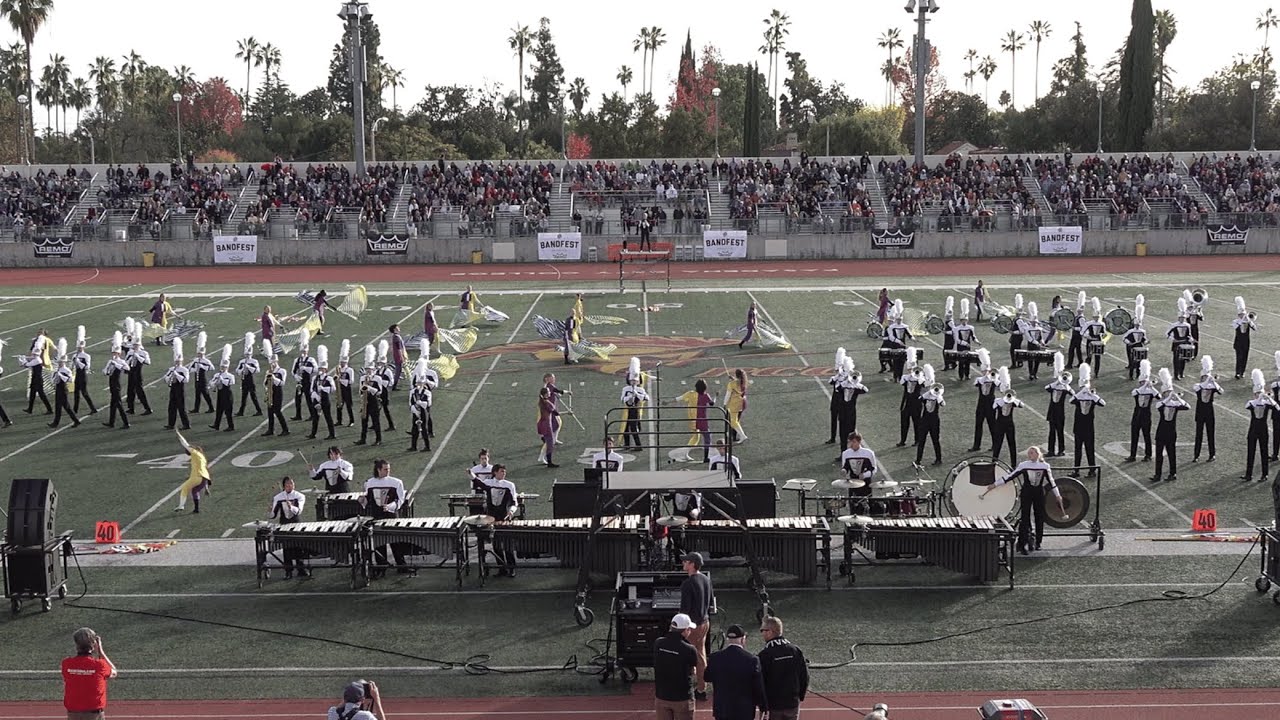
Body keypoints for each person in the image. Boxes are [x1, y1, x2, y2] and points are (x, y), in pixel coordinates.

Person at [983, 446, 1065, 554]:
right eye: (1029, 453)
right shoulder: (1024, 465)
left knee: (1039, 517)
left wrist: (1058, 495)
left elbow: (1051, 482)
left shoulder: (1045, 466)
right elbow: (1010, 477)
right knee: (1025, 517)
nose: (1029, 455)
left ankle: (1038, 542)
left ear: (1038, 454)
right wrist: (995, 484)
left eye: (1032, 453)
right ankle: (1023, 543)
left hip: (1039, 494)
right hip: (1026, 493)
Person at [704, 624, 766, 720]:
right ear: (743, 639)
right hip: (744, 711)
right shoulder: (752, 660)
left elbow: (707, 677)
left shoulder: (715, 658)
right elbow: (758, 686)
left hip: (722, 710)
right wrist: (763, 706)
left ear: (728, 639)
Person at [757, 616, 809, 720]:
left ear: (770, 632)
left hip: (774, 706)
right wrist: (800, 696)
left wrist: (762, 705)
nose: (762, 633)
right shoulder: (795, 650)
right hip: (792, 703)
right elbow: (804, 676)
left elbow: (760, 682)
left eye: (762, 630)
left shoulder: (764, 655)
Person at [364, 459, 411, 575]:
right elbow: (368, 500)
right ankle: (381, 567)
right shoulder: (370, 483)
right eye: (385, 469)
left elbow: (400, 500)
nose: (388, 471)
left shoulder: (396, 482)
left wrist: (390, 507)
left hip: (391, 515)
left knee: (396, 542)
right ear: (378, 470)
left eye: (388, 469)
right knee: (379, 544)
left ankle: (401, 565)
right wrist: (362, 501)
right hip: (376, 516)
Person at [679, 551, 713, 702]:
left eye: (686, 561)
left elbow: (685, 609)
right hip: (704, 623)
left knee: (691, 656)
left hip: (693, 626)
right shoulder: (706, 579)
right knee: (700, 654)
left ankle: (698, 688)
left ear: (692, 564)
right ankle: (701, 687)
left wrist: (678, 625)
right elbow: (710, 601)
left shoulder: (688, 584)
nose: (683, 563)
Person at [62, 627, 117, 720]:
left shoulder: (66, 663)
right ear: (93, 644)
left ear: (76, 645)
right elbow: (114, 672)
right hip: (94, 714)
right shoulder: (99, 665)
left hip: (73, 714)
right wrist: (100, 651)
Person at [653, 613, 698, 720]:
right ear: (685, 630)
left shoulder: (658, 643)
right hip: (682, 698)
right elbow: (693, 669)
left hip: (662, 697)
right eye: (689, 629)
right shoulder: (689, 649)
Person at [479, 464, 519, 576]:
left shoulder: (510, 485)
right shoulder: (488, 483)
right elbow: (477, 482)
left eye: (504, 471)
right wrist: (470, 474)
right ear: (495, 472)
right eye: (502, 471)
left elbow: (514, 502)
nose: (504, 473)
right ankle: (501, 568)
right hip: (492, 518)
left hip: (504, 518)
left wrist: (511, 511)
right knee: (496, 545)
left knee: (507, 544)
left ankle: (511, 568)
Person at [1152, 368, 1189, 483]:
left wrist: (1178, 398)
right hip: (1161, 432)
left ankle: (1173, 473)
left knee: (1171, 454)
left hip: (1171, 432)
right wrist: (1169, 397)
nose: (1169, 394)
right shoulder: (1161, 403)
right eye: (1167, 393)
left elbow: (1187, 406)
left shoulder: (1175, 404)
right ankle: (1157, 474)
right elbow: (1159, 406)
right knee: (1159, 454)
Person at [1244, 369, 1279, 482]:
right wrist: (1259, 398)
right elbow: (1247, 405)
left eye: (1259, 393)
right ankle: (1248, 474)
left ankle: (1265, 474)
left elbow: (1278, 408)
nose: (1258, 395)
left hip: (1263, 430)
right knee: (1250, 452)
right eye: (1257, 394)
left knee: (1264, 452)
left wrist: (1269, 398)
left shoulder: (1266, 403)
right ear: (1254, 394)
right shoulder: (1252, 403)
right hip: (1253, 430)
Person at [270, 476, 308, 578]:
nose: (290, 486)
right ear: (284, 486)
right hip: (284, 525)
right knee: (287, 549)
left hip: (296, 524)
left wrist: (291, 507)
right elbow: (273, 515)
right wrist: (270, 511)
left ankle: (301, 569)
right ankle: (288, 571)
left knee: (298, 547)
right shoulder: (278, 497)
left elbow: (299, 511)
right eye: (287, 484)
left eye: (291, 483)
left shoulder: (299, 496)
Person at [1070, 364, 1104, 476]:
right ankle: (1076, 470)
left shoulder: (1092, 398)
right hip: (1078, 428)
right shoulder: (1078, 396)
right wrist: (1082, 392)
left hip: (1089, 428)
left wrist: (1092, 394)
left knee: (1090, 449)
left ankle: (1092, 470)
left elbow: (1103, 403)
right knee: (1077, 450)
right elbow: (1071, 400)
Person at [1127, 360, 1158, 462]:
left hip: (1146, 415)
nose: (1143, 383)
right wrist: (1145, 385)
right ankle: (1132, 455)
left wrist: (1152, 387)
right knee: (1134, 435)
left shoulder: (1151, 391)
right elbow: (1135, 393)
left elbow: (1159, 396)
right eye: (1142, 382)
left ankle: (1148, 455)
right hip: (1136, 415)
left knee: (1146, 435)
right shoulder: (1137, 390)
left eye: (1144, 382)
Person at [173, 430, 212, 513]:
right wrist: (206, 488)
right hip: (204, 479)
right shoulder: (203, 458)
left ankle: (181, 505)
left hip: (197, 477)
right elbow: (205, 471)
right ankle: (196, 509)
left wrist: (178, 434)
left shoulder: (194, 453)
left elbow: (185, 443)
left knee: (184, 488)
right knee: (195, 491)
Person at [1192, 356, 1221, 463]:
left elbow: (1221, 391)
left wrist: (1214, 383)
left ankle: (1212, 454)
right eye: (1204, 377)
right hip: (1200, 411)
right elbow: (1198, 387)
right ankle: (1196, 455)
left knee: (1210, 433)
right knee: (1198, 434)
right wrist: (1208, 380)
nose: (1206, 379)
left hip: (1209, 412)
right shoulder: (1198, 385)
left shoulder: (1212, 386)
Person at [914, 366, 945, 466]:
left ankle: (938, 459)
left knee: (935, 440)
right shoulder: (926, 395)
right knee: (921, 440)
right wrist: (927, 394)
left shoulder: (938, 396)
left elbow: (943, 404)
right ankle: (918, 460)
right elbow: (918, 400)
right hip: (925, 420)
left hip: (934, 421)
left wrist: (939, 397)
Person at [1044, 354, 1072, 458]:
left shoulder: (1065, 389)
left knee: (1060, 432)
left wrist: (1066, 386)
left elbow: (1073, 394)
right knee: (1051, 432)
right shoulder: (1053, 387)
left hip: (1060, 413)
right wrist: (1056, 382)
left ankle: (1061, 450)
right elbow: (1046, 387)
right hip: (1052, 412)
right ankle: (1050, 450)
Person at [969, 349, 997, 452]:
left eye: (986, 371)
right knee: (978, 425)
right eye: (984, 371)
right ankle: (976, 445)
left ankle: (995, 444)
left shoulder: (994, 379)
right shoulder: (979, 380)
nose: (985, 373)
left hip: (990, 404)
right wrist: (985, 377)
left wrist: (991, 376)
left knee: (992, 425)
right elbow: (976, 383)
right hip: (981, 404)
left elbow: (999, 384)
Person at [100, 334, 129, 429]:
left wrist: (116, 364)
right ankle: (111, 422)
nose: (114, 355)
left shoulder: (121, 361)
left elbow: (127, 368)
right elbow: (105, 372)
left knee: (119, 404)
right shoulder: (110, 361)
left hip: (116, 385)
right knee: (113, 404)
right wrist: (107, 369)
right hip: (111, 384)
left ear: (119, 354)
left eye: (115, 353)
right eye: (113, 353)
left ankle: (126, 423)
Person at [49, 342, 80, 429]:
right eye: (59, 362)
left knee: (67, 407)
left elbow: (70, 380)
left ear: (64, 362)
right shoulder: (58, 369)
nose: (60, 363)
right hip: (58, 389)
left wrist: (61, 375)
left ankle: (76, 421)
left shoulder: (67, 370)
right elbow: (54, 380)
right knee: (58, 407)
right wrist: (55, 376)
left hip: (63, 389)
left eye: (61, 362)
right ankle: (55, 423)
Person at [161, 337, 190, 431]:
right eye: (176, 361)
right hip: (173, 389)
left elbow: (186, 380)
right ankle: (171, 424)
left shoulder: (184, 370)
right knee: (171, 407)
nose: (177, 362)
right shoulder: (172, 369)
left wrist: (176, 375)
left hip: (180, 390)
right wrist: (170, 377)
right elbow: (165, 378)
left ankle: (186, 424)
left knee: (181, 408)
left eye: (179, 361)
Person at [263, 341, 290, 437]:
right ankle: (270, 429)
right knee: (270, 411)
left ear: (277, 361)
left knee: (277, 411)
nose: (273, 364)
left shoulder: (282, 371)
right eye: (271, 362)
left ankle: (285, 429)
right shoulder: (269, 371)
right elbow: (265, 384)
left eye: (274, 362)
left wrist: (274, 378)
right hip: (271, 392)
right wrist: (267, 377)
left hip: (278, 392)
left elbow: (282, 383)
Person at [896, 355, 923, 447]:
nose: (911, 370)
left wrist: (918, 376)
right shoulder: (905, 377)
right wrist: (910, 376)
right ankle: (902, 440)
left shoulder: (920, 378)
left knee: (917, 422)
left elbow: (923, 383)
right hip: (906, 402)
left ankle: (917, 440)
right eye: (910, 369)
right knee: (904, 422)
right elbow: (901, 382)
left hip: (916, 403)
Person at [291, 330, 317, 422]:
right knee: (297, 398)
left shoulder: (311, 360)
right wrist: (296, 376)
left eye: (305, 351)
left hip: (307, 381)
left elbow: (316, 369)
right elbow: (293, 371)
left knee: (308, 398)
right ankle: (298, 415)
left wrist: (306, 368)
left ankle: (312, 415)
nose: (303, 353)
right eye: (302, 351)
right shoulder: (297, 360)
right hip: (300, 382)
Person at [209, 344, 236, 432]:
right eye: (222, 367)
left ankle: (231, 426)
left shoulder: (230, 376)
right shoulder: (217, 374)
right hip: (220, 393)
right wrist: (214, 384)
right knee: (219, 410)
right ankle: (216, 425)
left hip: (227, 394)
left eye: (224, 367)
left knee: (228, 411)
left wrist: (221, 379)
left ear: (227, 367)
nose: (223, 368)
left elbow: (231, 382)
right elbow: (211, 382)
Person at [71, 326, 97, 415]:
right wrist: (74, 363)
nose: (79, 349)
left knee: (84, 393)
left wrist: (78, 362)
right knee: (76, 393)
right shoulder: (75, 355)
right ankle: (75, 409)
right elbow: (73, 366)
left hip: (83, 375)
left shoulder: (86, 356)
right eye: (78, 347)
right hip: (77, 374)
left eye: (80, 347)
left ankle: (93, 408)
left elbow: (87, 367)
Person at [24, 330, 53, 414]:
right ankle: (30, 409)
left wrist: (23, 362)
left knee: (41, 394)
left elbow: (28, 364)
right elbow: (30, 359)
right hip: (35, 377)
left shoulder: (37, 360)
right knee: (32, 393)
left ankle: (49, 409)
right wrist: (24, 357)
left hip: (38, 379)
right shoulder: (36, 358)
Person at [235, 332, 263, 417]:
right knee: (243, 397)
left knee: (253, 396)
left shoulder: (254, 361)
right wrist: (242, 370)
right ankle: (241, 411)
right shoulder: (242, 361)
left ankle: (259, 410)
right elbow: (237, 370)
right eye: (246, 354)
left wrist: (249, 367)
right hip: (244, 380)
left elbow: (257, 370)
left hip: (251, 380)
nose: (247, 356)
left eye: (248, 354)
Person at [125, 336, 152, 416]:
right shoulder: (130, 352)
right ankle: (131, 408)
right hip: (131, 373)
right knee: (130, 391)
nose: (135, 346)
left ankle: (147, 408)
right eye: (134, 345)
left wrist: (138, 356)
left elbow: (148, 362)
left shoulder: (144, 353)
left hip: (138, 374)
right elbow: (126, 362)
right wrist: (129, 359)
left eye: (136, 345)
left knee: (140, 391)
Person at [621, 374, 649, 450]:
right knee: (625, 427)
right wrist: (630, 396)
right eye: (632, 380)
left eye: (635, 380)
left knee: (633, 428)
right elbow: (622, 399)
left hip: (635, 410)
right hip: (626, 411)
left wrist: (637, 394)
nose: (633, 382)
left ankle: (638, 445)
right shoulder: (625, 389)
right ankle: (627, 444)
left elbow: (646, 398)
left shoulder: (640, 389)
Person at [1122, 300, 1148, 381]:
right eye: (1136, 325)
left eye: (1138, 325)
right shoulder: (1130, 331)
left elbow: (1144, 339)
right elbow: (1124, 338)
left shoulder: (1142, 331)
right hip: (1132, 347)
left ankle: (1138, 375)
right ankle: (1131, 375)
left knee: (1139, 362)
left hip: (1139, 347)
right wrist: (1129, 343)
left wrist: (1146, 342)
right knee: (1133, 362)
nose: (1137, 326)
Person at [189, 332, 214, 414]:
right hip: (197, 378)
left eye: (200, 353)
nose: (199, 355)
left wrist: (202, 367)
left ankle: (211, 408)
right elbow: (190, 368)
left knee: (206, 394)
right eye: (198, 353)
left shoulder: (206, 361)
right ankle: (196, 409)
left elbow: (211, 367)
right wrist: (195, 368)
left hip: (203, 379)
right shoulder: (196, 360)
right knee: (197, 395)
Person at [1233, 297, 1258, 379]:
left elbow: (1255, 328)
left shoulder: (1248, 321)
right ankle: (1237, 372)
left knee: (1245, 357)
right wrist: (1242, 321)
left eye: (1243, 314)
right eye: (1241, 315)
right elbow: (1236, 327)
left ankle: (1242, 372)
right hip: (1238, 342)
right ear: (1238, 315)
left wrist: (1250, 321)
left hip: (1246, 342)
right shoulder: (1236, 321)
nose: (1242, 316)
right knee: (1239, 357)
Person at [536, 386, 560, 468]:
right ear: (546, 394)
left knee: (549, 442)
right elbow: (555, 413)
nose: (550, 392)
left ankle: (548, 460)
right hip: (546, 425)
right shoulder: (546, 402)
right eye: (549, 392)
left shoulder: (542, 401)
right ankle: (549, 462)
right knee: (550, 444)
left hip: (543, 424)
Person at [725, 369, 749, 442]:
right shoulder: (744, 381)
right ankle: (732, 434)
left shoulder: (731, 384)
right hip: (742, 403)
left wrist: (724, 403)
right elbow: (738, 384)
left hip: (734, 404)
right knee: (735, 420)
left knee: (733, 422)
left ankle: (742, 435)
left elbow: (728, 395)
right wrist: (733, 379)